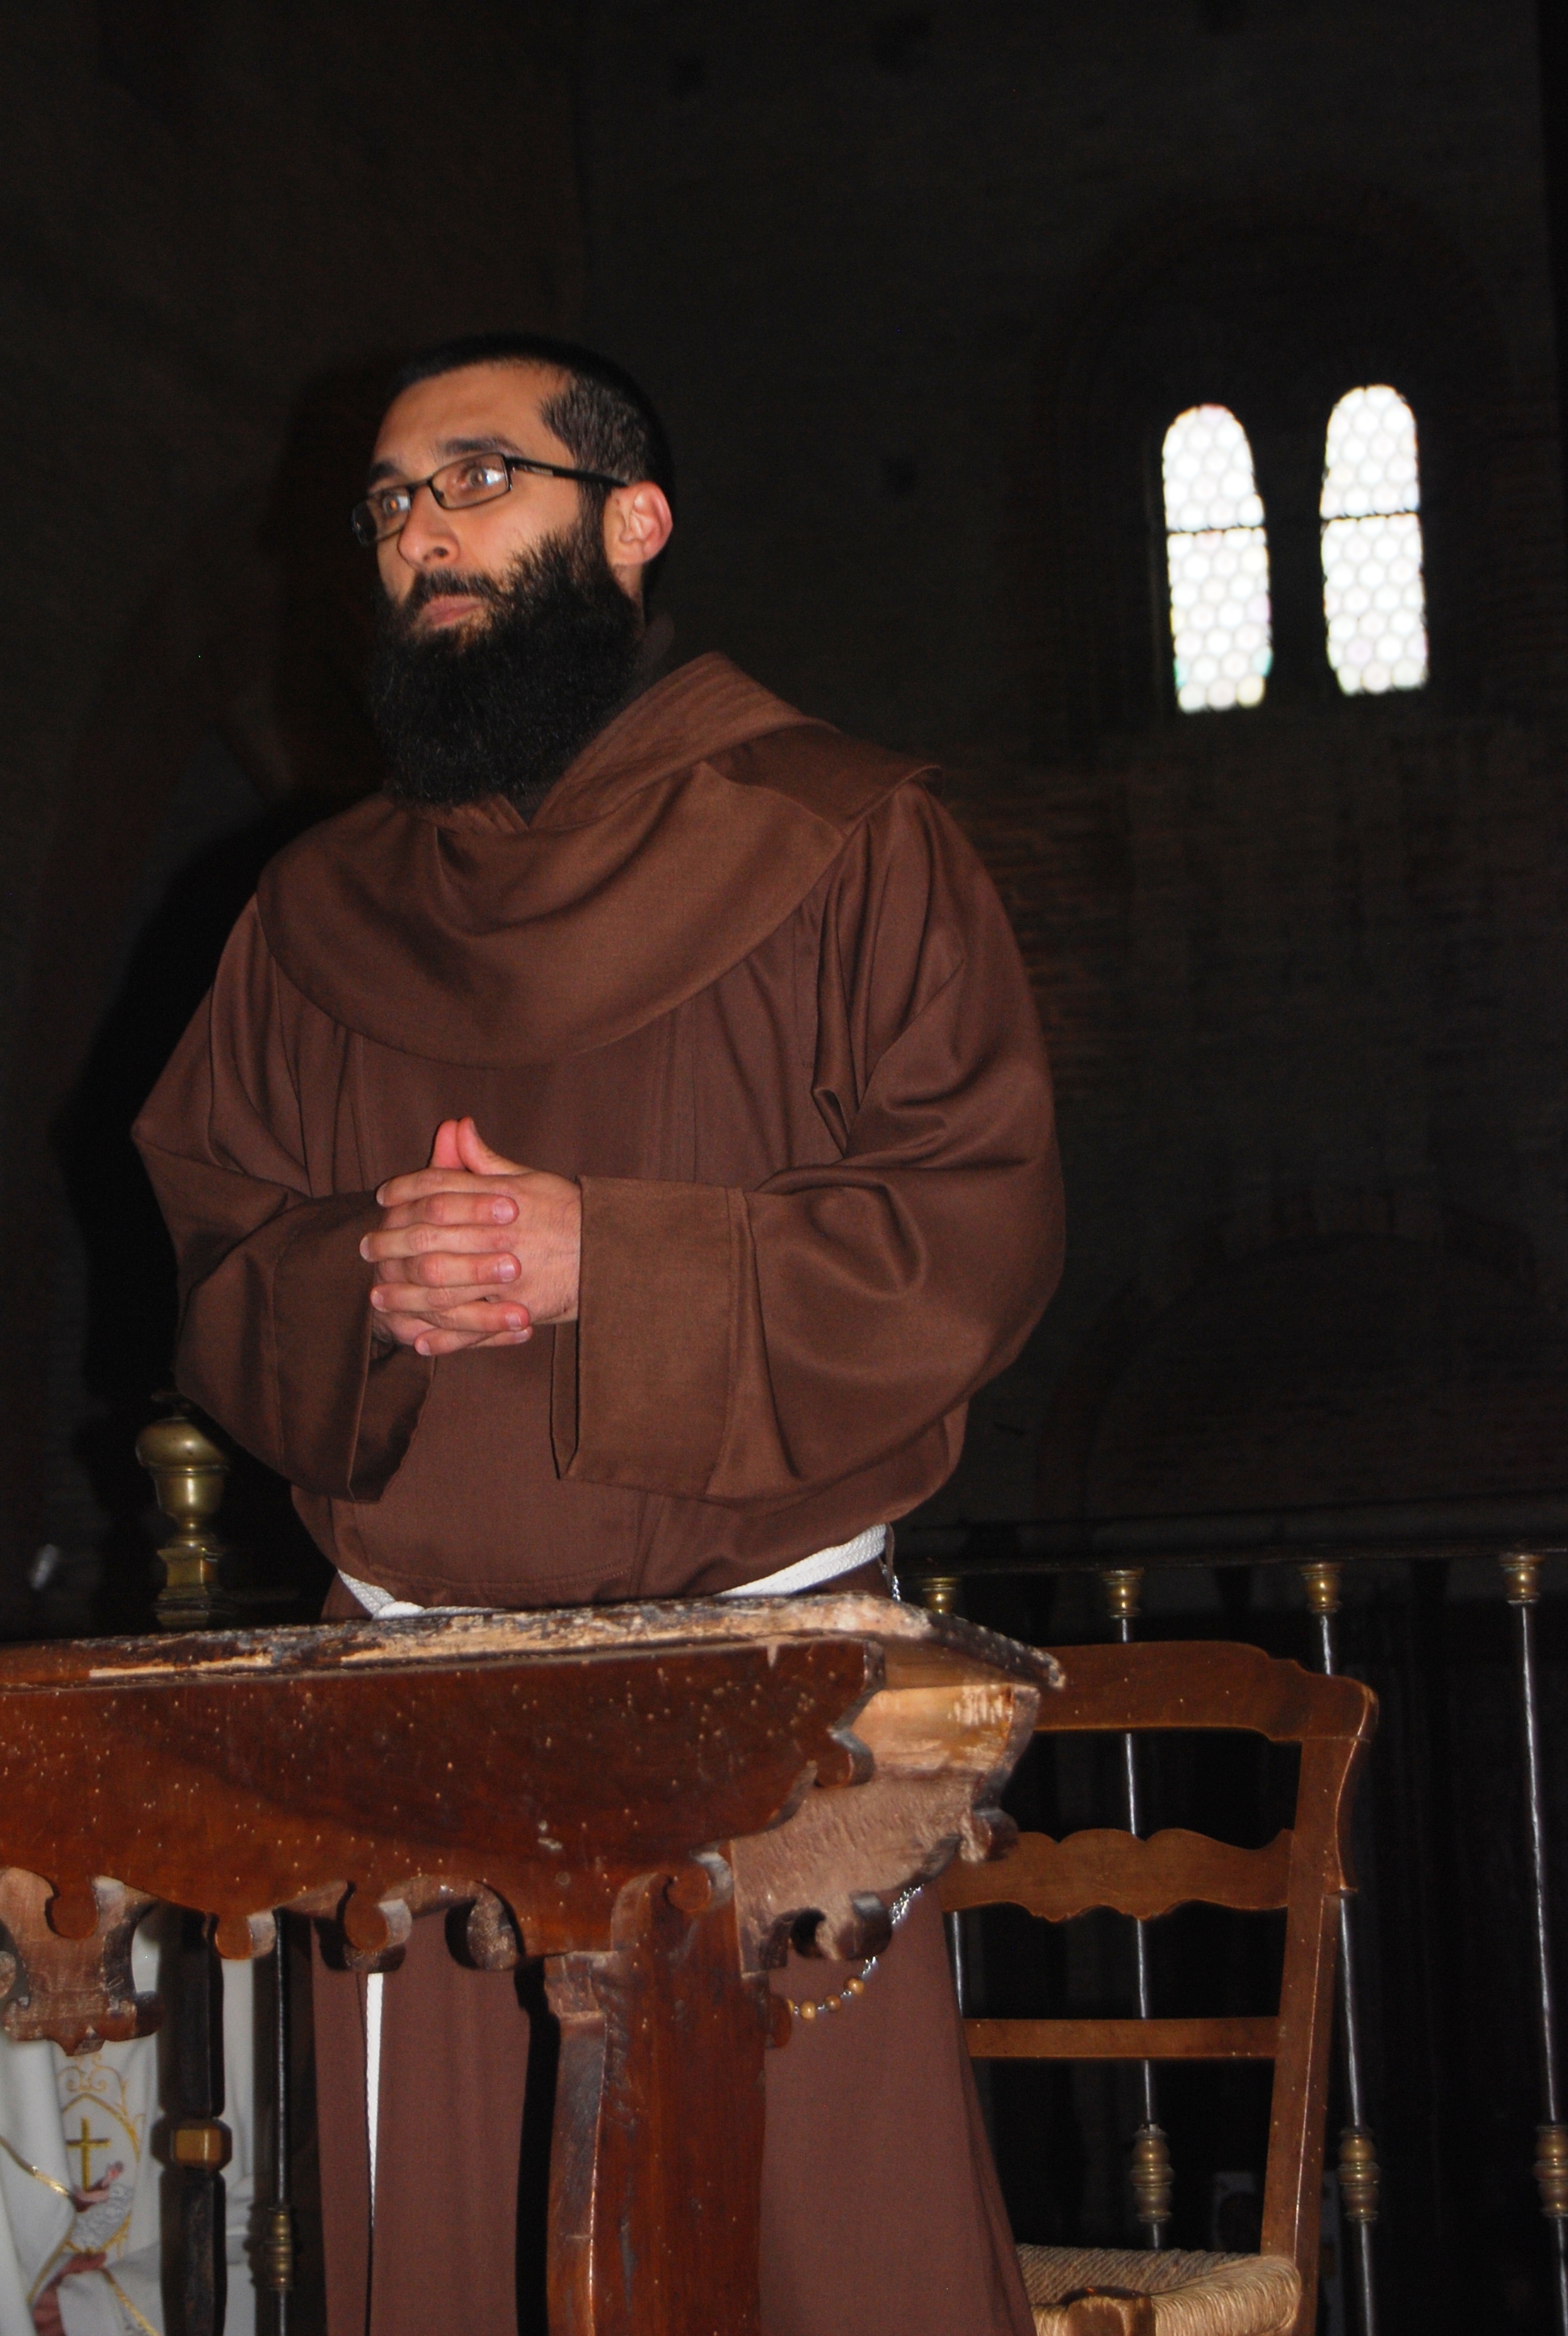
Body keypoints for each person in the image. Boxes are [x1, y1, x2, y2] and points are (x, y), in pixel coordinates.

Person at [134, 332, 1064, 2336]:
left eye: (480, 480)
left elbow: (972, 1230)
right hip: (424, 1728)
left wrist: (604, 1265)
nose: (424, 532)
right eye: (392, 503)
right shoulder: (309, 912)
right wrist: (363, 1282)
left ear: (635, 522)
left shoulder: (844, 840)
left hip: (765, 1726)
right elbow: (214, 1244)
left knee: (814, 2260)